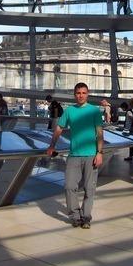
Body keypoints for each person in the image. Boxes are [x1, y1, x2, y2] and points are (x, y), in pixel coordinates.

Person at [46, 83, 109, 228]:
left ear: (88, 94)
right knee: (69, 186)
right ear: (75, 94)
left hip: (91, 155)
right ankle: (75, 215)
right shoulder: (69, 111)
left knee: (89, 188)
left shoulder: (94, 111)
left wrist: (99, 153)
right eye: (78, 93)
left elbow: (100, 133)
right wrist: (52, 145)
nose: (81, 95)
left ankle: (86, 217)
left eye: (83, 93)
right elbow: (59, 129)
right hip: (74, 154)